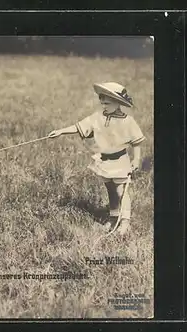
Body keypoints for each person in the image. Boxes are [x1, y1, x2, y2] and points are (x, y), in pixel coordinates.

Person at [48, 82, 145, 235]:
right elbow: (78, 126)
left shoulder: (127, 121)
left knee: (121, 191)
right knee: (111, 191)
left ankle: (125, 221)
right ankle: (113, 217)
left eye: (107, 103)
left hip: (120, 162)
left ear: (118, 103)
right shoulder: (97, 118)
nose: (104, 106)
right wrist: (60, 131)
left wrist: (136, 159)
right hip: (104, 162)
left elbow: (136, 142)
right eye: (102, 103)